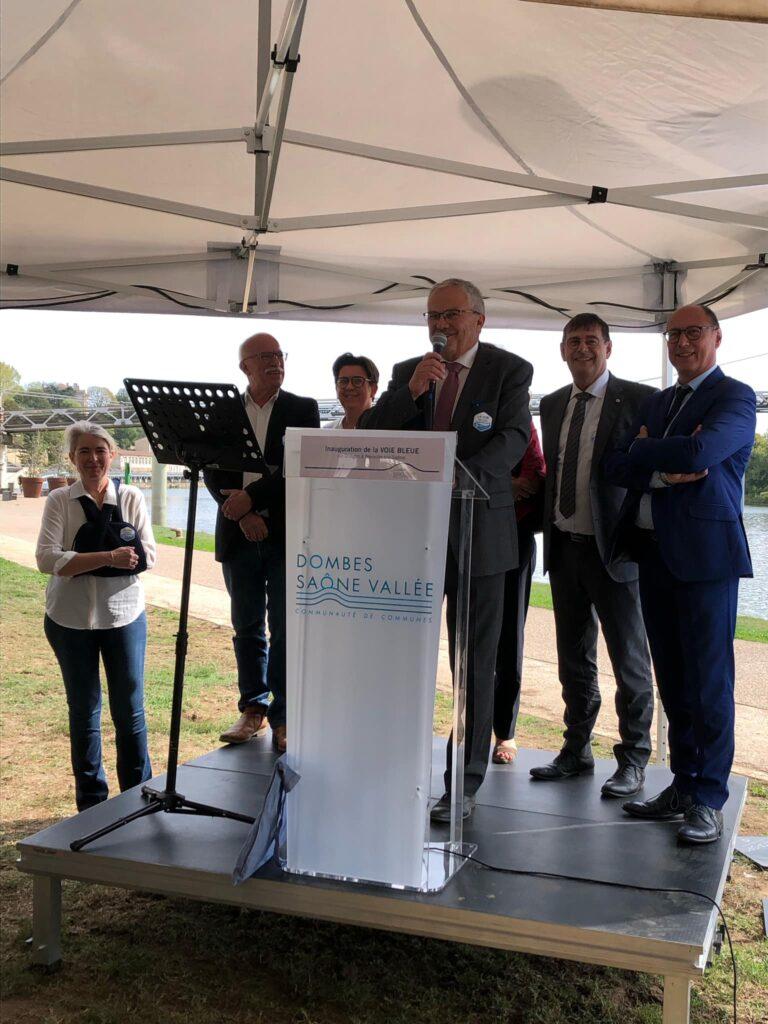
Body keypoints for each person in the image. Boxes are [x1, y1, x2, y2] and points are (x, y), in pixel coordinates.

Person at [360, 278, 533, 820]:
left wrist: (461, 472)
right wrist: (410, 392)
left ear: (479, 318)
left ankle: (463, 784)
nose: (440, 325)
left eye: (451, 314)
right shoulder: (409, 372)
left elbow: (514, 438)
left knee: (474, 664)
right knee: (402, 656)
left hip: (481, 534)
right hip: (414, 534)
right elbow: (371, 432)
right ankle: (393, 771)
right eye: (433, 315)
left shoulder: (509, 370)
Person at [605, 304, 756, 843]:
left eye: (693, 332)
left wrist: (644, 449)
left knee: (709, 683)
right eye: (673, 334)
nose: (682, 343)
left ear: (717, 336)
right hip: (653, 556)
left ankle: (709, 799)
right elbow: (614, 464)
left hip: (706, 560)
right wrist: (657, 467)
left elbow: (700, 451)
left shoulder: (735, 397)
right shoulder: (658, 401)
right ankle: (684, 785)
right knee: (672, 679)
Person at [530, 314, 655, 798]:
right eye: (573, 341)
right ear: (562, 350)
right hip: (565, 549)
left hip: (617, 554)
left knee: (630, 662)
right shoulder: (552, 403)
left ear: (608, 348)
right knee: (573, 659)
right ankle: (576, 750)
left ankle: (634, 758)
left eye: (591, 341)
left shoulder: (640, 399)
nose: (582, 348)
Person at [204, 332, 319, 753]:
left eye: (279, 355)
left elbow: (298, 468)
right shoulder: (222, 412)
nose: (276, 362)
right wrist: (242, 513)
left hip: (283, 534)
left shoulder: (302, 408)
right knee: (246, 625)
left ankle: (283, 716)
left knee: (284, 628)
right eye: (265, 356)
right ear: (245, 367)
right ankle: (252, 708)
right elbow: (211, 469)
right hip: (238, 534)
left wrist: (252, 499)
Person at [35, 422, 156, 811]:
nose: (93, 459)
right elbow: (46, 559)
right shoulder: (59, 500)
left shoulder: (131, 496)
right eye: (84, 451)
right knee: (84, 712)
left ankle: (138, 798)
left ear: (112, 455)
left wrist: (77, 562)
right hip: (69, 620)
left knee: (130, 711)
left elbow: (148, 557)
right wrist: (109, 558)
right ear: (72, 457)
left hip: (124, 617)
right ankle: (91, 804)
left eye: (100, 450)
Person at [492, 423, 545, 765]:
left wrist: (491, 487)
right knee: (467, 641)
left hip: (515, 534)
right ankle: (469, 723)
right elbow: (458, 472)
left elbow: (533, 478)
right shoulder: (468, 416)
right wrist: (504, 486)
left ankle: (505, 731)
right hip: (469, 533)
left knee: (510, 638)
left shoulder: (522, 423)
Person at [324, 353, 379, 429]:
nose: (349, 387)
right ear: (336, 388)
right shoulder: (327, 431)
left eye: (357, 381)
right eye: (343, 381)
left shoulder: (387, 430)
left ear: (373, 389)